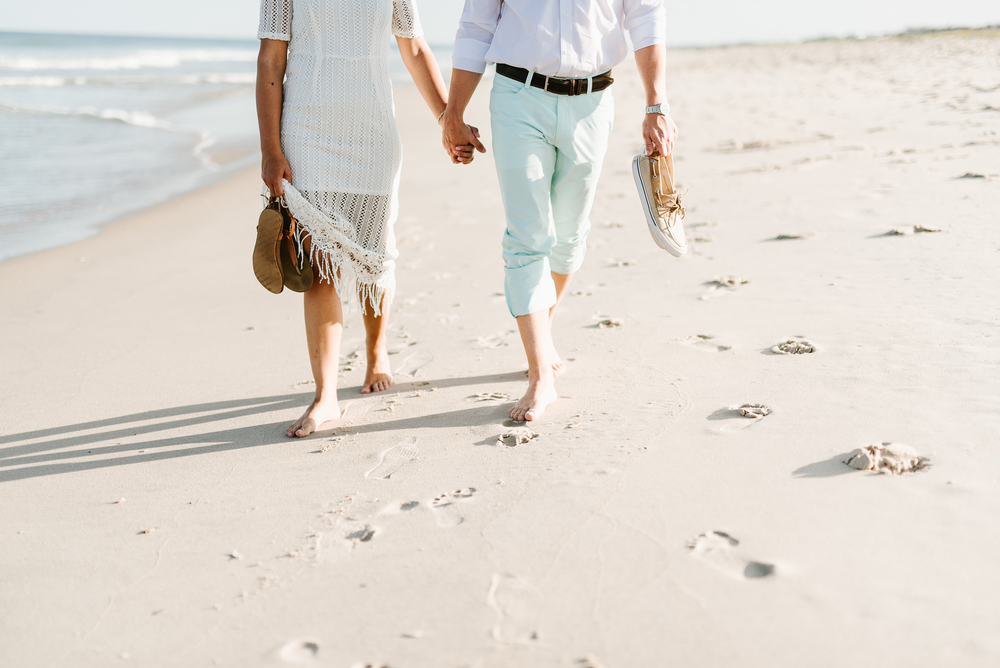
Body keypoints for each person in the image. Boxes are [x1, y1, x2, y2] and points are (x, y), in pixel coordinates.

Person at [442, 0, 678, 422]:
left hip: (592, 102)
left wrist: (655, 104)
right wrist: (453, 112)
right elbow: (476, 25)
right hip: (517, 99)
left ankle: (541, 335)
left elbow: (646, 15)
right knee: (527, 238)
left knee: (569, 238)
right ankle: (539, 376)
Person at [256, 0, 473, 437]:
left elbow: (413, 48)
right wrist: (270, 148)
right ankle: (326, 395)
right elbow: (271, 58)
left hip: (372, 134)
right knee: (319, 265)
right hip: (306, 132)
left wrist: (447, 119)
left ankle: (376, 350)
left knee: (375, 256)